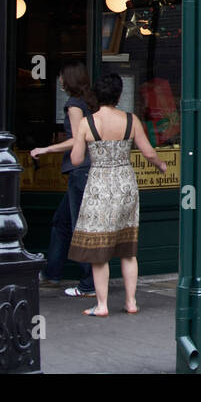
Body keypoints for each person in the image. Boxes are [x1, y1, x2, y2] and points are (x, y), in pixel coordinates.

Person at [68, 72, 168, 317]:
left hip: (100, 185)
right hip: (125, 184)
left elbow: (76, 159)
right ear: (119, 95)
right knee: (127, 248)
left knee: (98, 250)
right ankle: (131, 302)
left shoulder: (86, 122)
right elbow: (149, 153)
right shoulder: (131, 120)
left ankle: (101, 305)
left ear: (96, 95)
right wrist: (162, 166)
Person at [29, 61, 97, 298]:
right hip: (88, 169)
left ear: (67, 79)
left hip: (81, 171)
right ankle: (52, 272)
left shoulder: (74, 105)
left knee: (80, 226)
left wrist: (46, 149)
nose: (58, 79)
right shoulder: (90, 102)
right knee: (62, 222)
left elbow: (79, 139)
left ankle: (88, 283)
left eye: (60, 75)